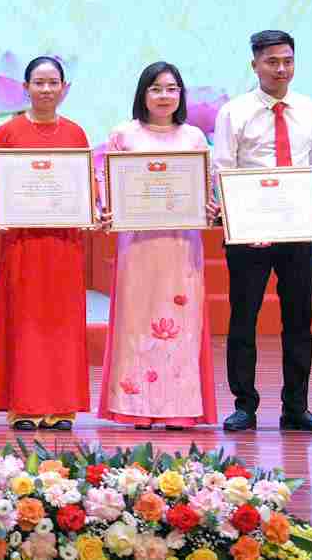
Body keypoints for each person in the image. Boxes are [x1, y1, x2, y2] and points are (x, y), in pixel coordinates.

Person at [210, 29, 312, 433]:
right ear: (255, 65)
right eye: (272, 62)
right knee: (244, 316)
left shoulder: (310, 110)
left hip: (297, 228)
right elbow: (222, 169)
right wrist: (243, 220)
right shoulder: (234, 111)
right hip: (250, 230)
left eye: (287, 61)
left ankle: (296, 407)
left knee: (300, 319)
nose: (281, 69)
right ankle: (244, 405)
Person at [94, 61, 217, 428]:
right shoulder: (124, 135)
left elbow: (206, 187)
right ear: (143, 94)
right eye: (156, 88)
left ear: (181, 95)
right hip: (139, 245)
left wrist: (211, 205)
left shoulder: (194, 137)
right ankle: (137, 406)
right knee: (137, 320)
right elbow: (106, 183)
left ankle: (179, 407)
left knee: (182, 317)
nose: (164, 96)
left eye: (172, 89)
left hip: (181, 244)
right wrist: (107, 208)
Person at [0, 55, 91, 429]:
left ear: (64, 88)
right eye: (38, 83)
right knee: (24, 321)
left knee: (62, 323)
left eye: (53, 83)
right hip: (23, 244)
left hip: (64, 244)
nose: (46, 90)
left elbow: (85, 184)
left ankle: (62, 407)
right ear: (25, 88)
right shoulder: (7, 133)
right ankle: (24, 406)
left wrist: (91, 207)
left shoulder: (76, 133)